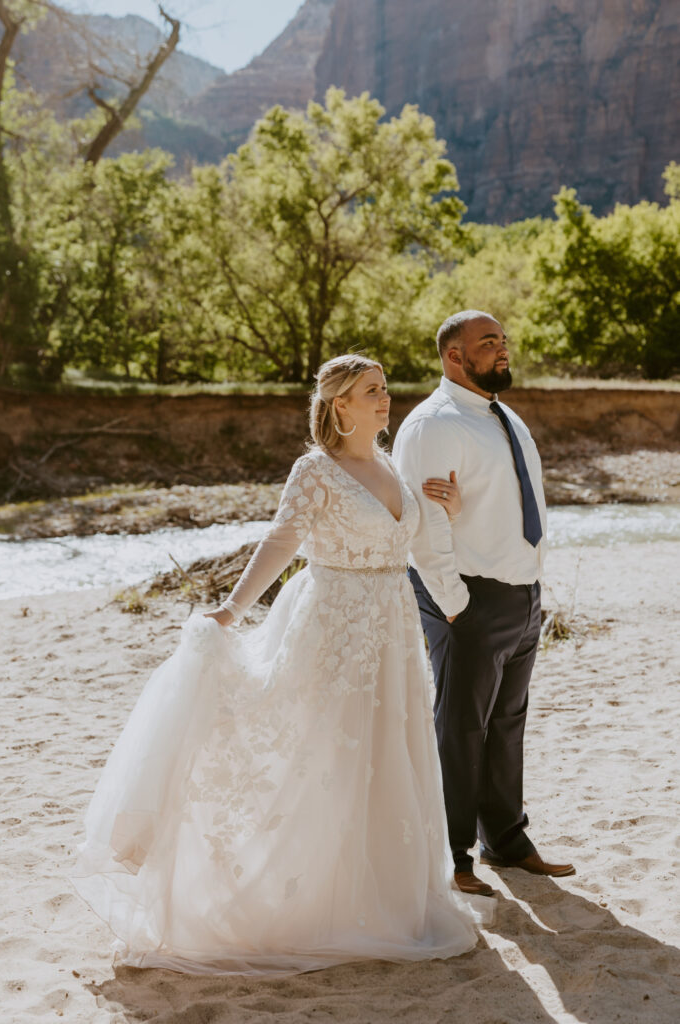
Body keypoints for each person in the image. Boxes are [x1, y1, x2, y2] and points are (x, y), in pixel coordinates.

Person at [71, 354, 493, 976]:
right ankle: (306, 900)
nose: (385, 399)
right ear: (340, 404)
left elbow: (412, 539)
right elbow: (281, 539)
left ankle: (381, 900)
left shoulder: (393, 467)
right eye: (372, 392)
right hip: (335, 624)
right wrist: (232, 610)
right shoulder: (315, 470)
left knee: (389, 756)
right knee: (328, 756)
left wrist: (448, 526)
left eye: (384, 390)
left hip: (394, 628)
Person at [393, 310, 575, 899]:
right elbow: (423, 528)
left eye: (503, 340)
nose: (502, 350)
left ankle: (507, 840)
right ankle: (453, 855)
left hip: (521, 596)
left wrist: (533, 588)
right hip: (467, 596)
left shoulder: (503, 416)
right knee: (461, 728)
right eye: (488, 342)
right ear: (454, 355)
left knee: (506, 722)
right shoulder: (432, 426)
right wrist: (453, 604)